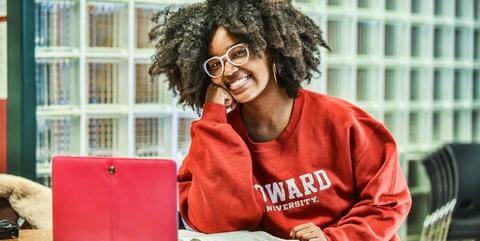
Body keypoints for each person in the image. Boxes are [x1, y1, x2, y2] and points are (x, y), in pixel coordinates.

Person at [149, 0, 412, 240]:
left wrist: (333, 238)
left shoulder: (343, 122)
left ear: (270, 48)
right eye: (215, 64)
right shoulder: (213, 137)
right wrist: (214, 115)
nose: (228, 70)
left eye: (238, 53)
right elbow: (216, 224)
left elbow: (387, 203)